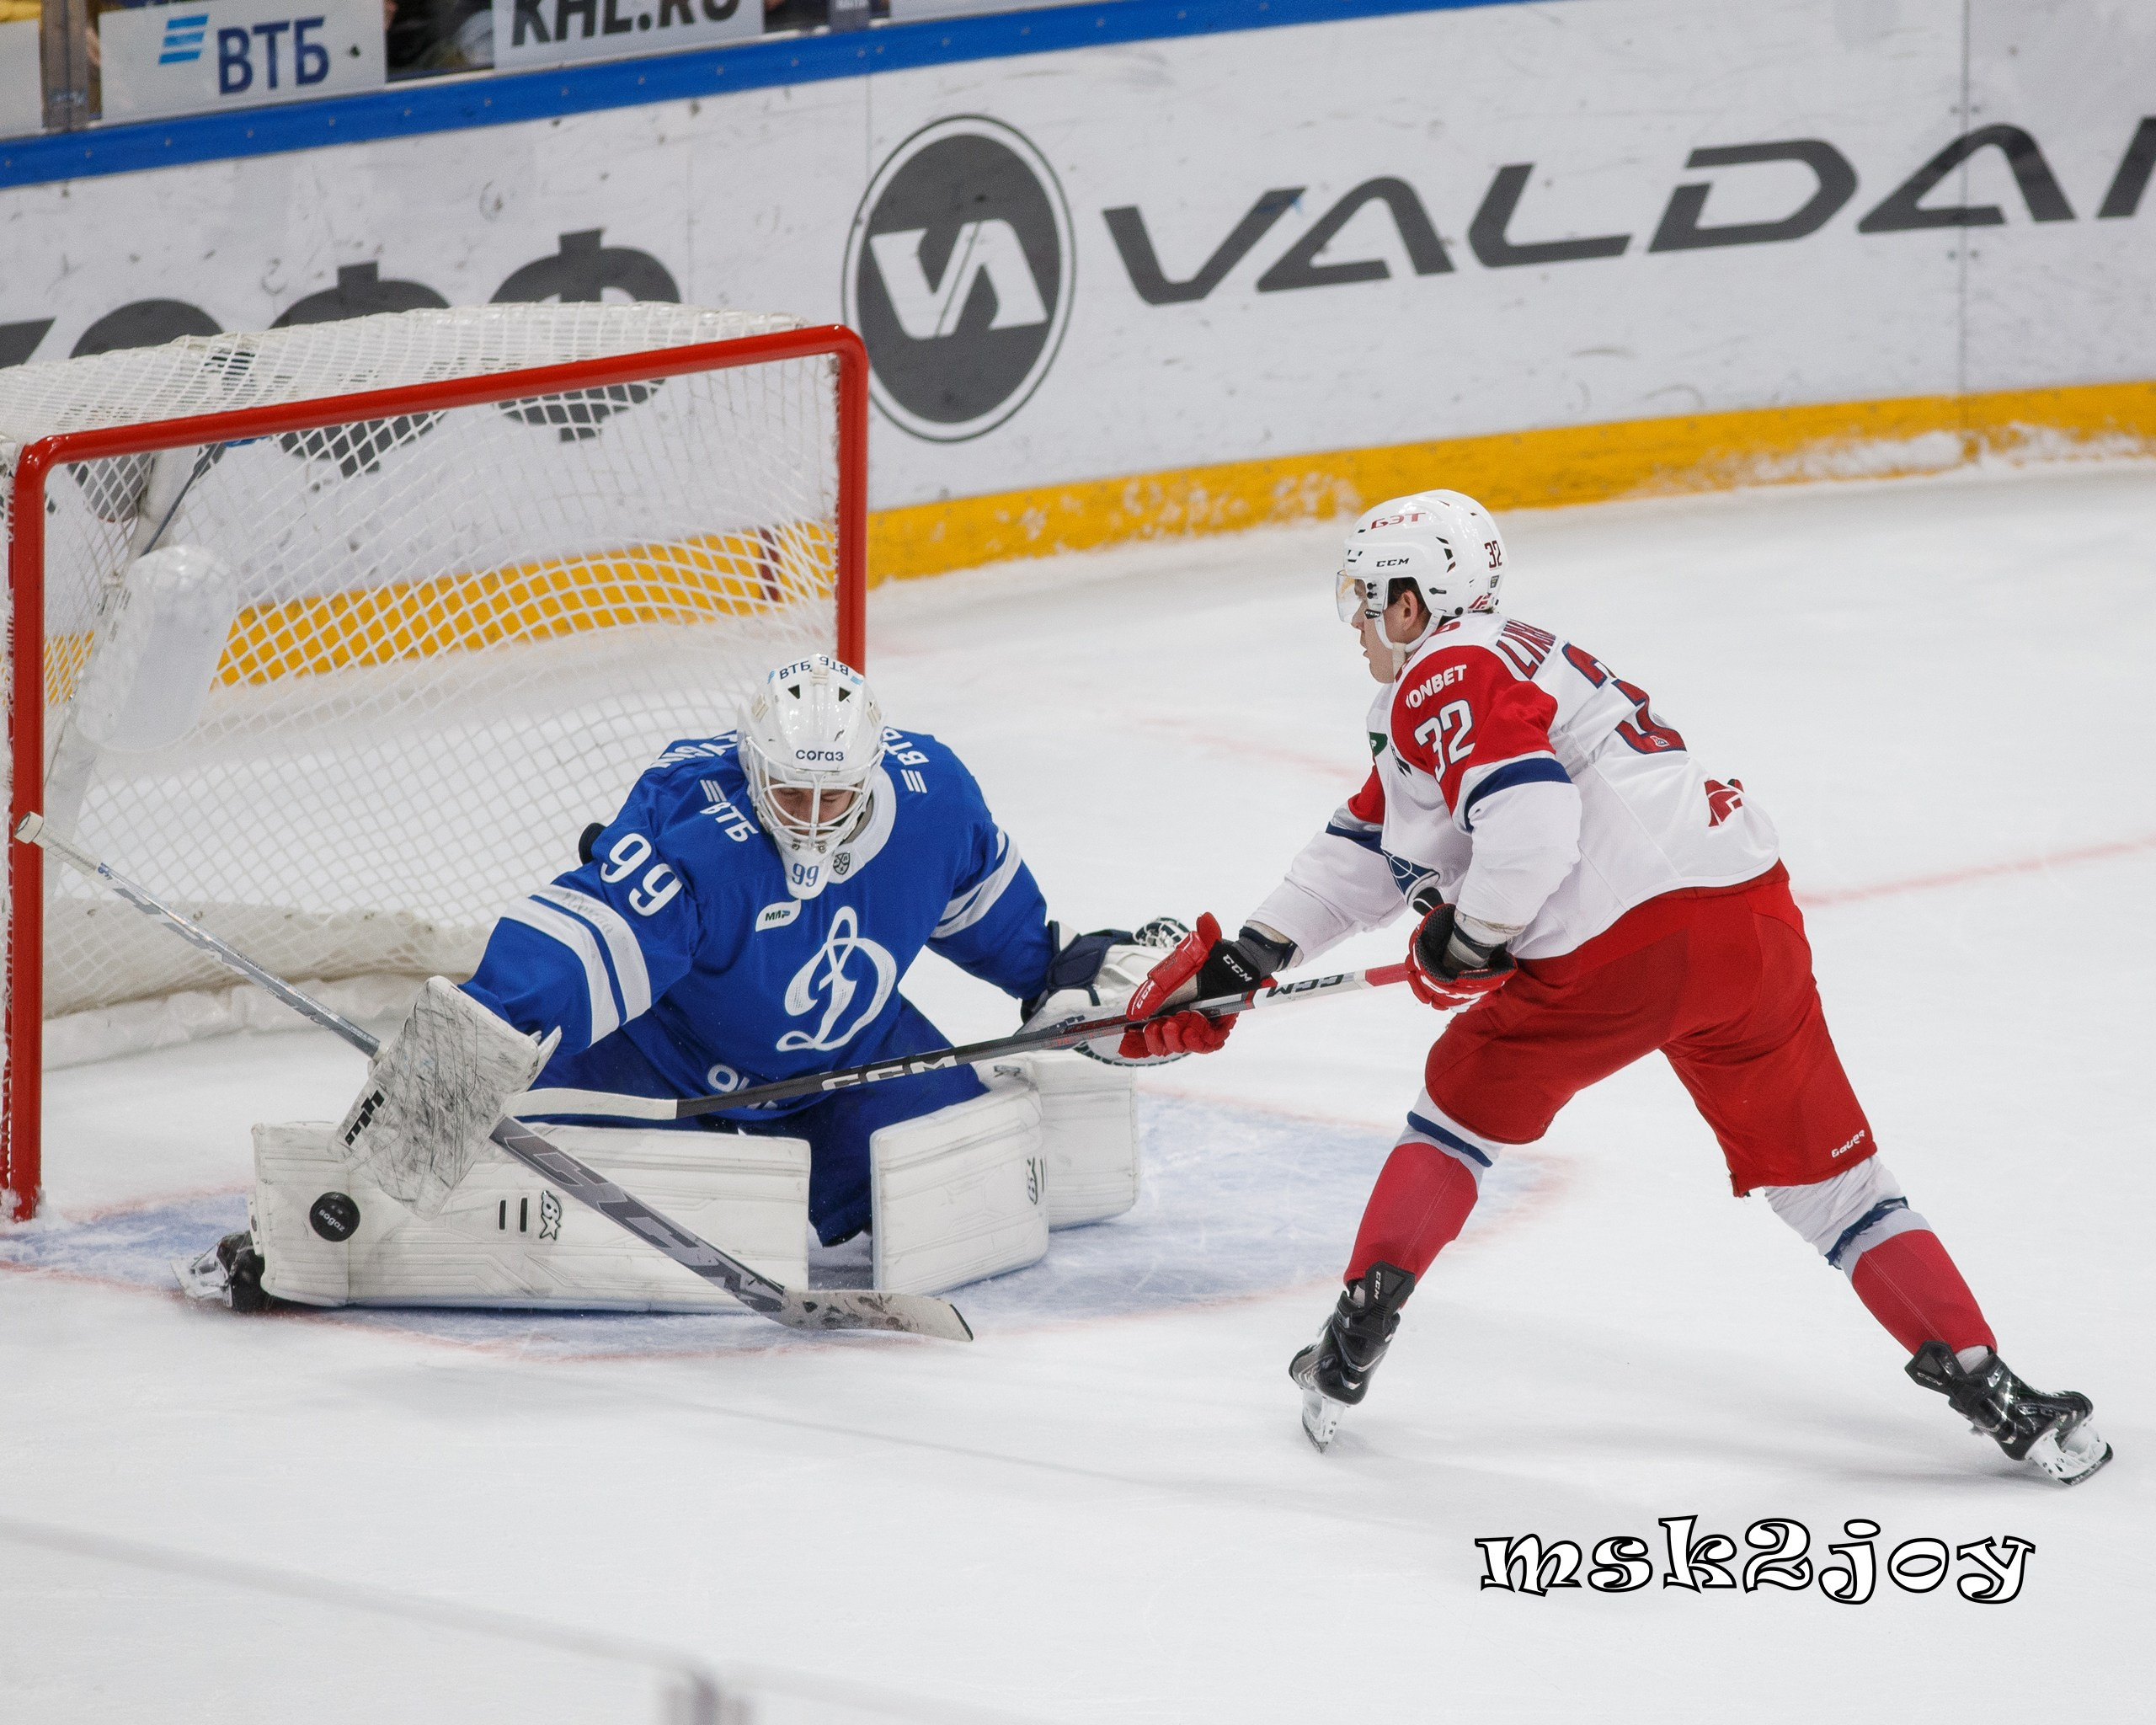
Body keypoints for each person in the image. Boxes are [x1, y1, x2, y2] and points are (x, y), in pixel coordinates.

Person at [1120, 490, 2111, 1486]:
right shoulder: (1511, 663)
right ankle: (1997, 1390)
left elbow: (1534, 818)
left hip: (1618, 946)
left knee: (1457, 1109)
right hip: (1750, 923)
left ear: (1417, 601)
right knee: (1837, 1188)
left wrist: (1474, 935)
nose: (1360, 623)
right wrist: (1247, 955)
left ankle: (1356, 1328)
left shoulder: (1442, 671)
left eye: (1371, 599)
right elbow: (1367, 848)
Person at [184, 654, 1166, 1311]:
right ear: (752, 765)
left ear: (874, 770)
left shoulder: (934, 797)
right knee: (493, 1156)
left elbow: (999, 924)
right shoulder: (695, 827)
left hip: (857, 1056)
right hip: (670, 1059)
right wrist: (476, 1040)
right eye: (792, 790)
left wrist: (1074, 974)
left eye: (837, 794)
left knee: (957, 1178)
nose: (816, 817)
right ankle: (325, 1221)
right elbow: (578, 944)